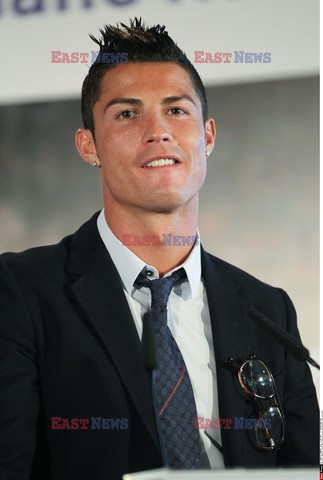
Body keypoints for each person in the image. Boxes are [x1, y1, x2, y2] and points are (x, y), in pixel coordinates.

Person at [0, 18, 318, 480]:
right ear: (89, 146)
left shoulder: (268, 309)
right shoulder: (21, 293)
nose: (158, 131)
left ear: (207, 136)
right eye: (127, 114)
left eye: (176, 111)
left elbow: (305, 470)